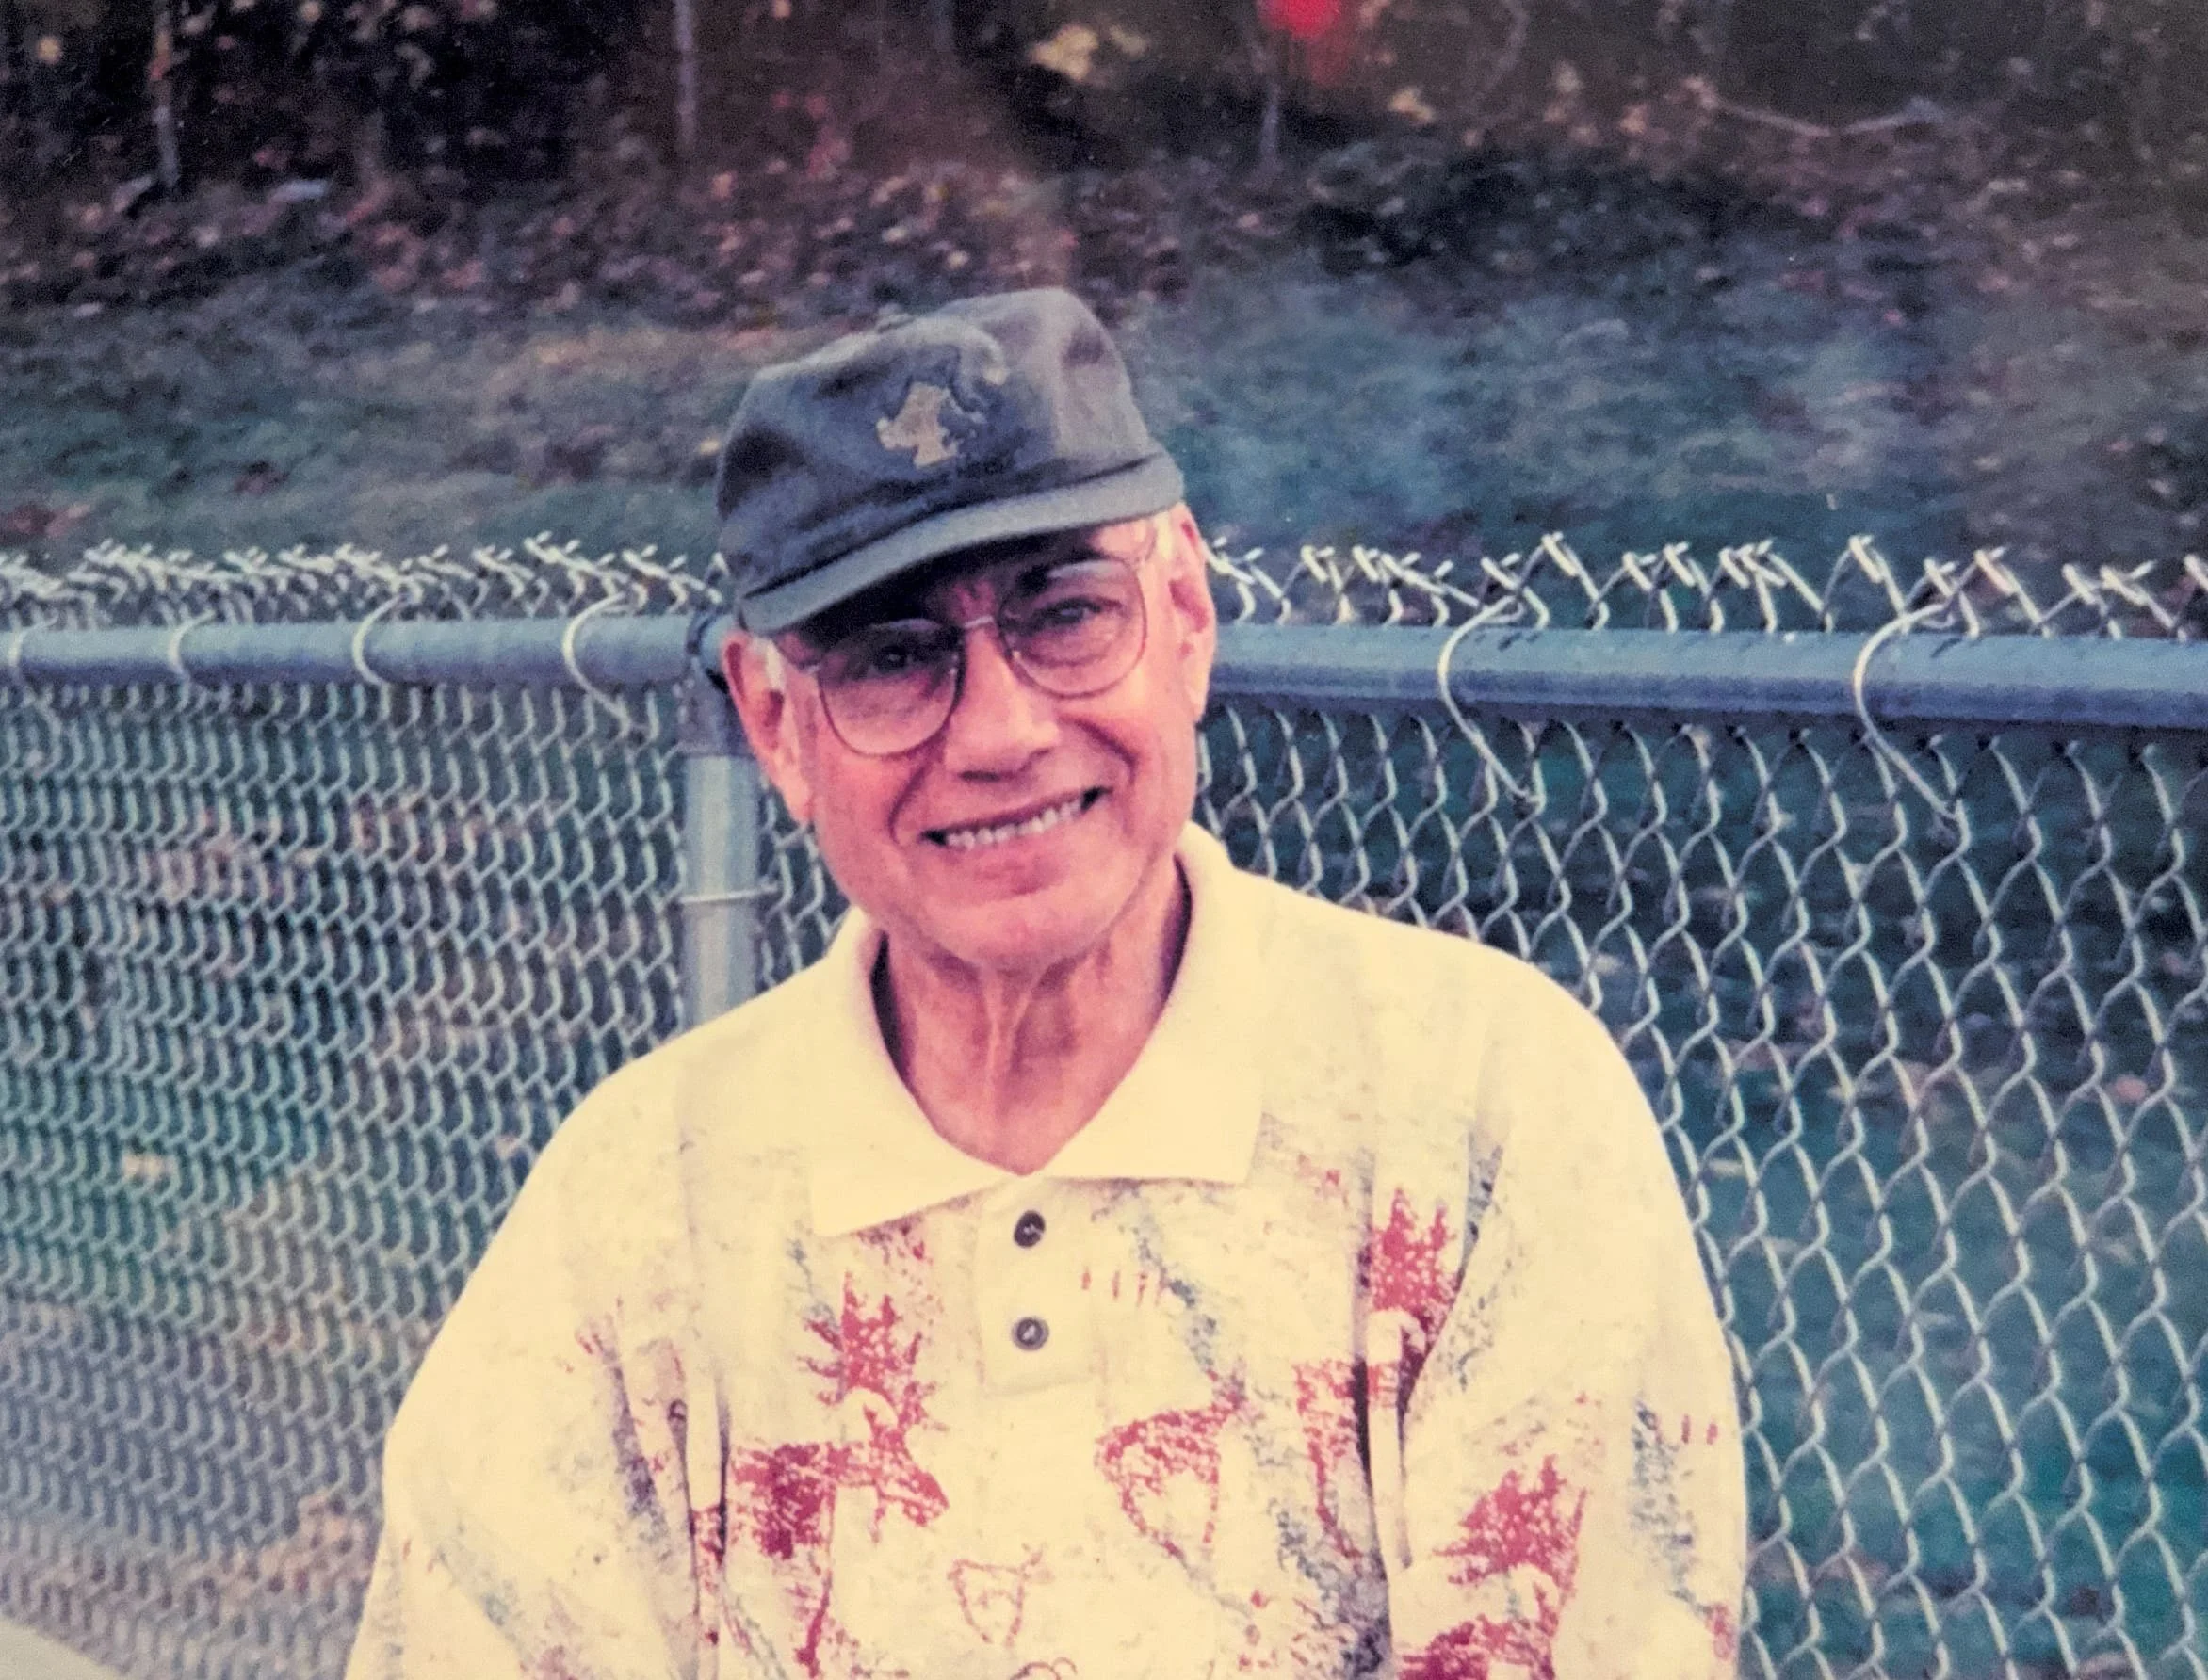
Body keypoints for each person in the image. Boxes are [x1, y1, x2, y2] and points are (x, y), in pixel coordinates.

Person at [346, 288, 1746, 1679]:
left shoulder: (1480, 1109)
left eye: (1065, 615)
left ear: (1186, 611)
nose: (1005, 733)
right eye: (894, 659)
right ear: (774, 721)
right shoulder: (639, 1209)